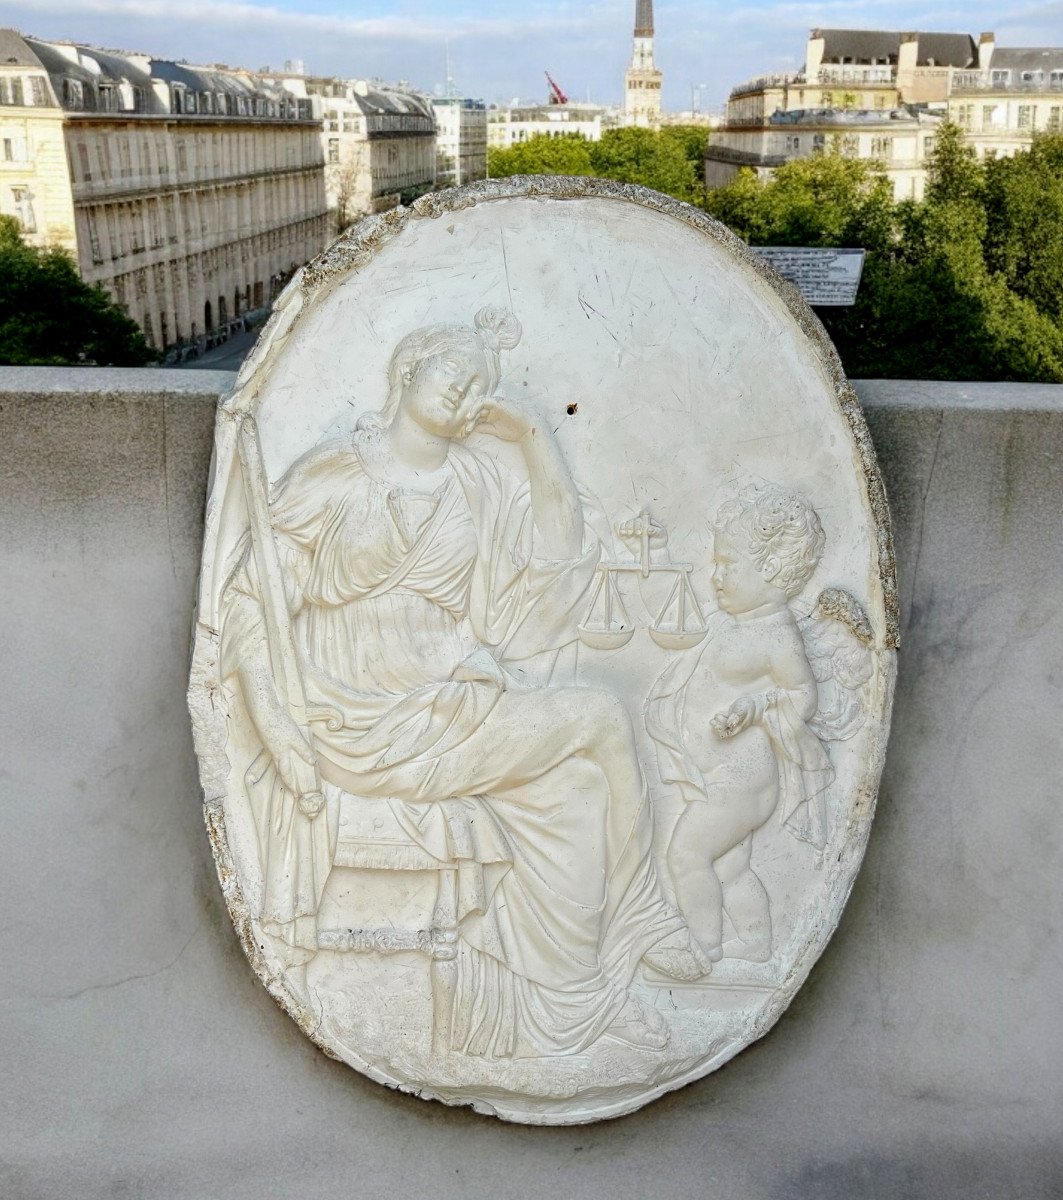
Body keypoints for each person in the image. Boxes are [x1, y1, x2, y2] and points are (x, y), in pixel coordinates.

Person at [220, 306, 695, 1057]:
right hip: (363, 717)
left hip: (453, 702)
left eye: (480, 385)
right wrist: (279, 734)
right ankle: (643, 912)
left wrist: (535, 438)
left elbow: (548, 576)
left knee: (572, 796)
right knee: (602, 718)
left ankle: (568, 1003)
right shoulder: (335, 472)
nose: (465, 390)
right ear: (407, 372)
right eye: (452, 372)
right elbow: (250, 607)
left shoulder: (475, 481)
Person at [644, 486, 834, 978]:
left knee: (686, 855)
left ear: (770, 570)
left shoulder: (776, 634)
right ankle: (755, 942)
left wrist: (755, 706)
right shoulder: (733, 621)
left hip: (742, 779)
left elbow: (803, 697)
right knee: (729, 867)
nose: (717, 575)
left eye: (729, 564)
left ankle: (701, 948)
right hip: (720, 776)